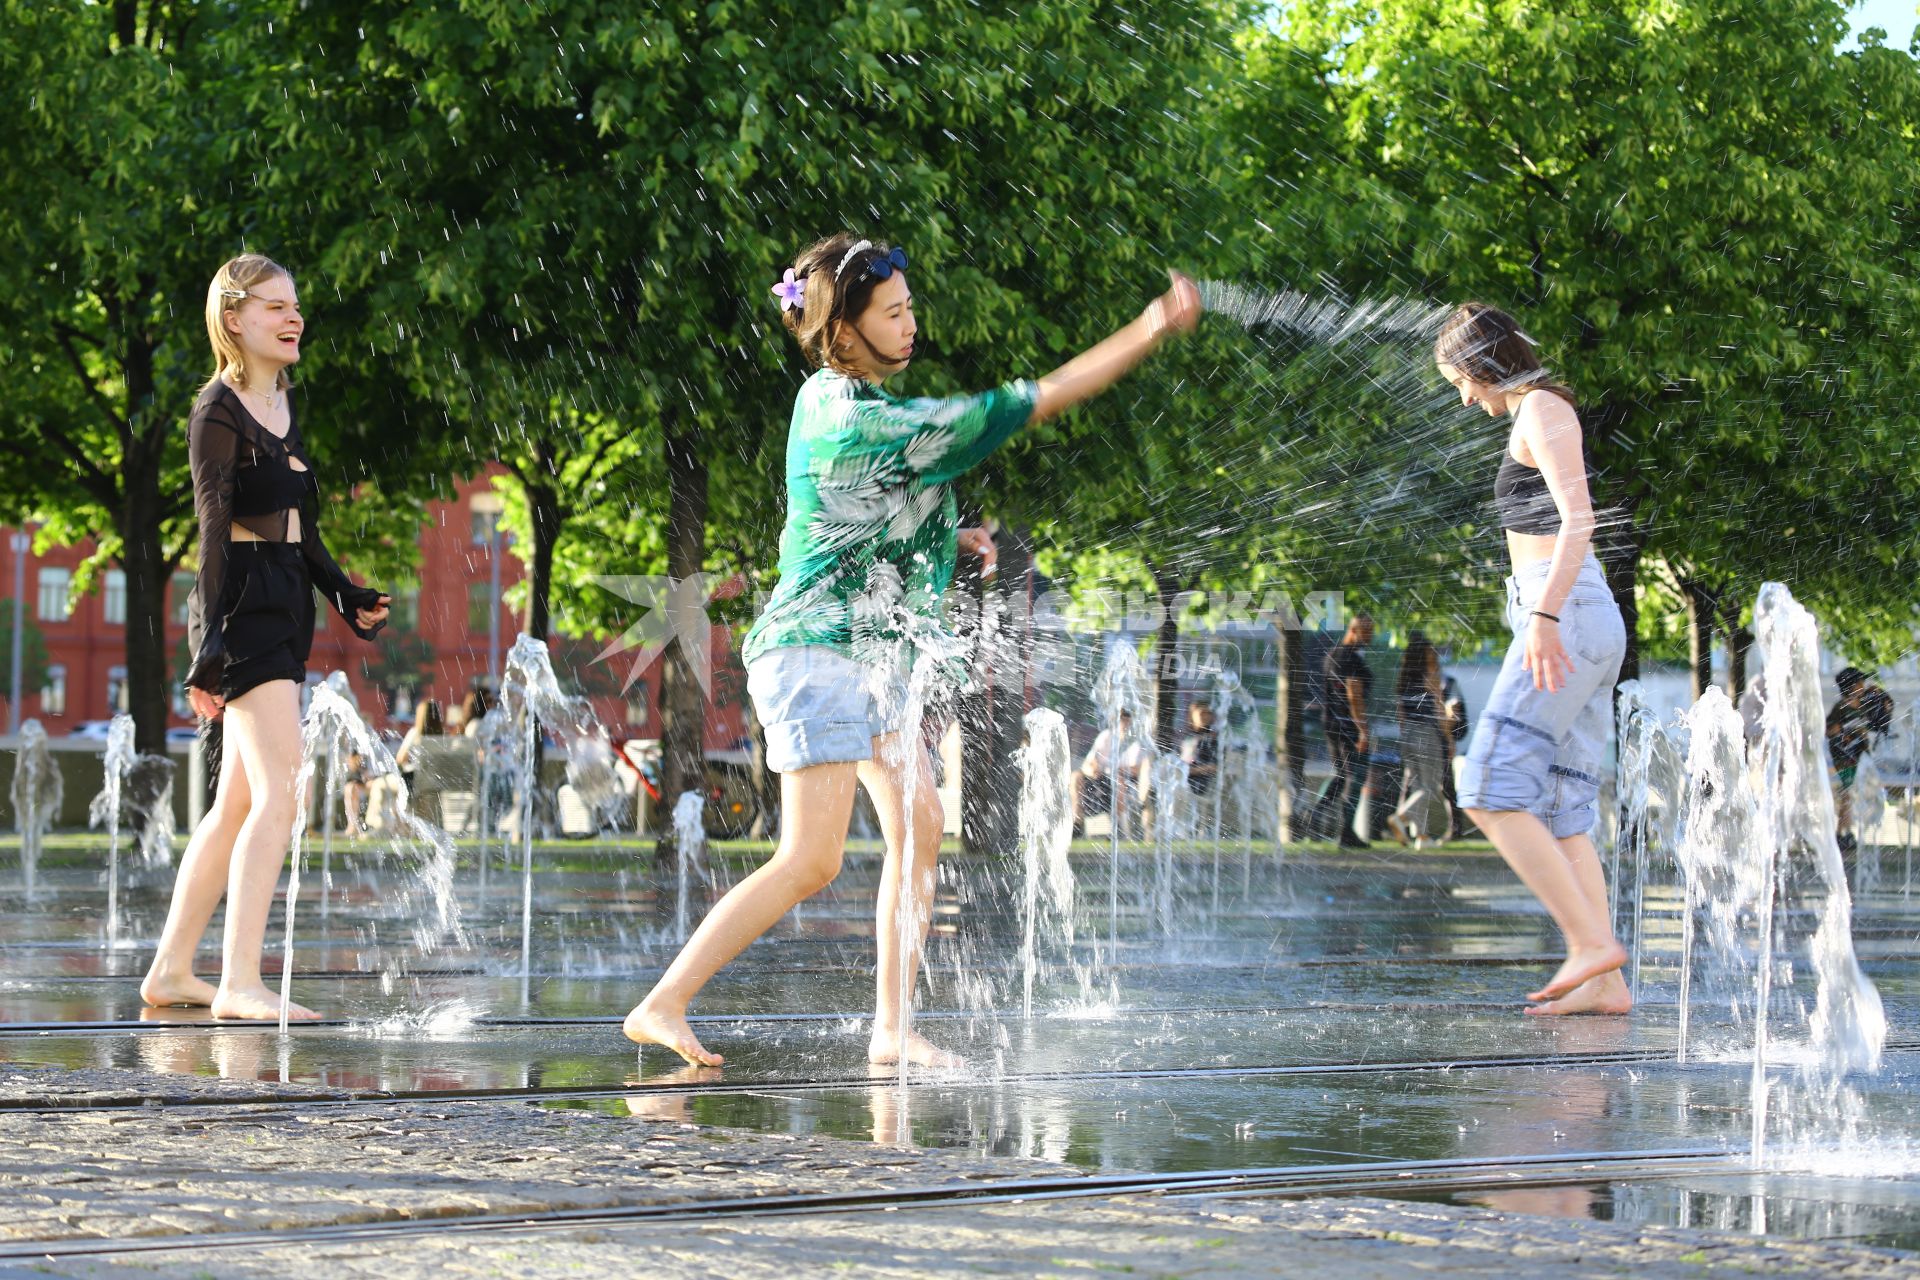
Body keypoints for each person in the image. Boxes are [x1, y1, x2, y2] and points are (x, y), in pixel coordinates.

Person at [622, 234, 1200, 1068]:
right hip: (818, 654)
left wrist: (947, 532)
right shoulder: (869, 421)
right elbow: (1034, 399)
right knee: (811, 860)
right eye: (893, 313)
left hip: (871, 657)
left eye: (910, 308)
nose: (911, 324)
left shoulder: (824, 399)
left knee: (921, 821)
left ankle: (892, 1029)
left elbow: (848, 512)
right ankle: (663, 1002)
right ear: (846, 330)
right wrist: (1149, 327)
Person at [140, 254, 390, 1022]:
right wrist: (207, 646)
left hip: (286, 599)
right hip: (240, 605)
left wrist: (341, 590)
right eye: (276, 307)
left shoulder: (282, 402)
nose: (294, 318)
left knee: (239, 802)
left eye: (296, 306)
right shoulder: (217, 409)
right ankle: (241, 981)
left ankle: (172, 971)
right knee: (283, 793)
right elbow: (215, 527)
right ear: (234, 318)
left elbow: (298, 527)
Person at [1437, 302, 1629, 1017]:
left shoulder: (1542, 408)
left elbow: (1580, 518)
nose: (1463, 397)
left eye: (1460, 379)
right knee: (1561, 809)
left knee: (1487, 788)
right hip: (1570, 609)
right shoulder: (1535, 411)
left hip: (1564, 609)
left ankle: (1589, 945)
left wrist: (1544, 616)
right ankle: (1603, 984)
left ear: (1485, 364)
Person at [1386, 632, 1453, 848]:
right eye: (1431, 651)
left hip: (1408, 734)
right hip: (1427, 732)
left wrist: (1406, 734)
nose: (1435, 654)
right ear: (1424, 654)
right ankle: (1401, 817)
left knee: (1417, 785)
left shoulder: (1404, 677)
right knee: (1431, 786)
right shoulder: (1431, 674)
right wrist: (1448, 737)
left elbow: (1401, 713)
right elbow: (1439, 708)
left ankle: (1421, 837)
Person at [1312, 614, 1375, 848]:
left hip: (1331, 723)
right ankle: (1346, 831)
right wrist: (1363, 731)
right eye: (1367, 631)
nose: (1371, 637)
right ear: (1354, 630)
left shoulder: (1332, 656)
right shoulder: (1350, 659)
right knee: (1355, 777)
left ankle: (1314, 816)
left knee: (1341, 774)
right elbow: (1354, 696)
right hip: (1348, 726)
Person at [1827, 666, 1894, 852]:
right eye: (1860, 683)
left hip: (1860, 754)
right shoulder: (1841, 707)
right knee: (1848, 793)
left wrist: (1880, 693)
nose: (1863, 685)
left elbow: (1885, 709)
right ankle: (1842, 833)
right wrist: (1845, 732)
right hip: (1845, 755)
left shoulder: (1864, 704)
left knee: (1851, 793)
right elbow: (1830, 730)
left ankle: (1844, 832)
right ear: (1851, 687)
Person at [1073, 708, 1150, 839]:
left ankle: (1122, 831)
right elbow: (1088, 763)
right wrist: (1092, 770)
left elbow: (1140, 769)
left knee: (1118, 782)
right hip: (1101, 781)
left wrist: (1120, 770)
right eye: (1121, 718)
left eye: (1126, 718)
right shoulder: (1106, 736)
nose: (1123, 722)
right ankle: (1077, 822)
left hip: (1126, 784)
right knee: (1076, 776)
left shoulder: (1137, 742)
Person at [1179, 700, 1219, 798]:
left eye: (1208, 713)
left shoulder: (1213, 739)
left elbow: (1215, 767)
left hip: (1200, 785)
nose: (1206, 716)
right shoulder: (1189, 738)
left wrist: (1187, 771)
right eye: (1202, 713)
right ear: (1192, 715)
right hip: (1187, 782)